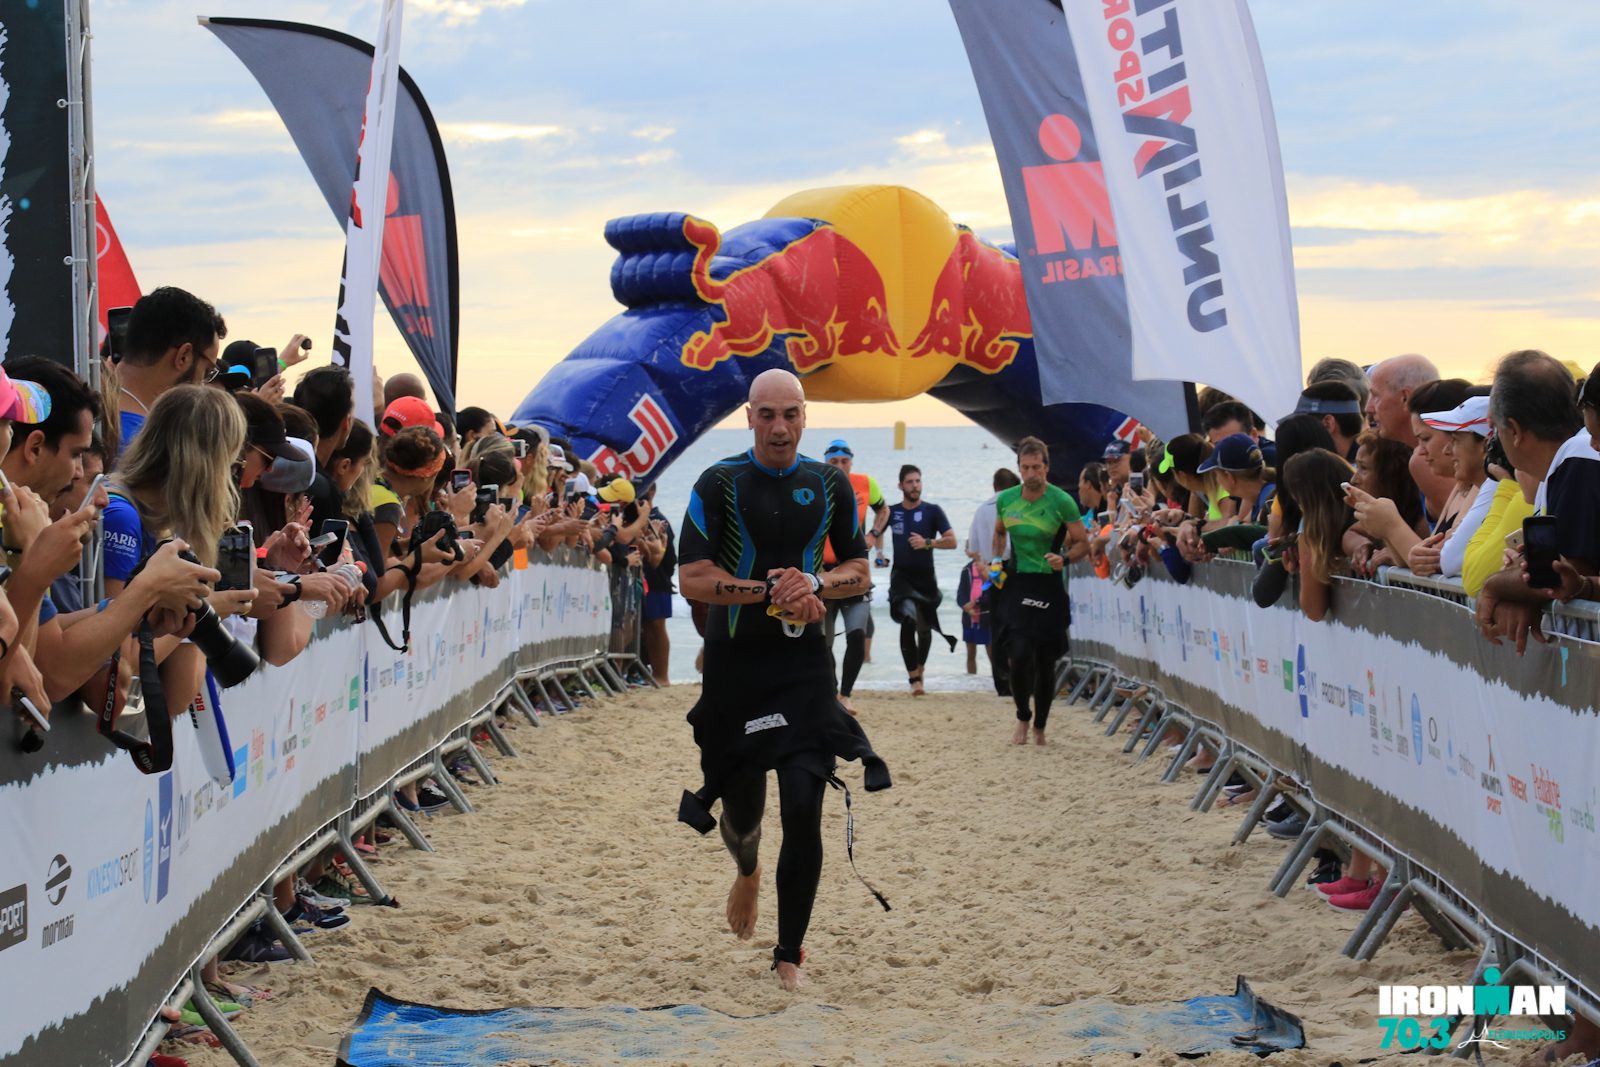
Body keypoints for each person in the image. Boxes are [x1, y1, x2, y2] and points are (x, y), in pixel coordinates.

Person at [676, 368, 890, 993]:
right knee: (744, 816)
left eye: (790, 414)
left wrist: (815, 583)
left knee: (803, 807)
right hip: (736, 668)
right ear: (749, 417)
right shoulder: (718, 483)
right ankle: (747, 870)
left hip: (803, 669)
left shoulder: (828, 484)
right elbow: (692, 577)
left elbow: (860, 570)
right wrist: (768, 590)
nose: (779, 427)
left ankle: (789, 954)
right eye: (766, 415)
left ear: (804, 417)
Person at [990, 437, 1087, 745]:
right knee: (1018, 654)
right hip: (1018, 581)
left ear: (1046, 467)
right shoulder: (1007, 500)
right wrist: (995, 561)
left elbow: (1082, 542)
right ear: (1019, 468)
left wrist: (1065, 559)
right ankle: (1022, 716)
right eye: (1025, 468)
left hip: (1048, 583)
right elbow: (999, 533)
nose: (1031, 474)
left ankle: (1040, 727)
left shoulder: (1062, 501)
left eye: (1036, 467)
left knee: (1045, 660)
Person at [870, 463, 957, 696]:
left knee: (925, 629)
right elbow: (877, 531)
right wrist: (880, 554)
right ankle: (913, 678)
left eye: (918, 481)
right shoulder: (892, 511)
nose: (915, 485)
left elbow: (952, 541)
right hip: (901, 576)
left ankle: (920, 669)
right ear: (900, 486)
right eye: (910, 482)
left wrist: (928, 542)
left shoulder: (933, 511)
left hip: (926, 577)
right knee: (908, 619)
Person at [819, 439, 889, 714]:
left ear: (851, 462)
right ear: (826, 462)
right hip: (824, 574)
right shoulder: (815, 483)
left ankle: (845, 695)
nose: (839, 466)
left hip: (854, 572)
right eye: (833, 462)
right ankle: (832, 692)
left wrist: (873, 534)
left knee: (857, 635)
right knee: (823, 642)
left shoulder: (865, 484)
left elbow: (883, 509)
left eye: (844, 461)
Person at [114, 286, 227, 451]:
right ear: (183, 356)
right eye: (207, 371)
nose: (203, 385)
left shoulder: (86, 418)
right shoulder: (151, 448)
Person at [1366, 354, 1455, 517]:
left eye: (1376, 396)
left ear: (1405, 398)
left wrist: (1389, 526)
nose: (1369, 408)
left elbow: (1457, 531)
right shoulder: (1429, 452)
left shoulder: (1424, 459)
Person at [965, 467, 1020, 695]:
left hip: (991, 568)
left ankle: (1002, 683)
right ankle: (1020, 677)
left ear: (994, 486)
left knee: (998, 625)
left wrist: (982, 566)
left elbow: (972, 547)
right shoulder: (1015, 504)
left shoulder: (981, 510)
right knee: (1019, 622)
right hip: (1014, 565)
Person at [636, 483, 676, 686]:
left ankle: (662, 675)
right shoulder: (640, 518)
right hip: (647, 577)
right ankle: (653, 674)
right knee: (647, 627)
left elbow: (667, 558)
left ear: (652, 491)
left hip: (658, 579)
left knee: (656, 626)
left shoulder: (658, 519)